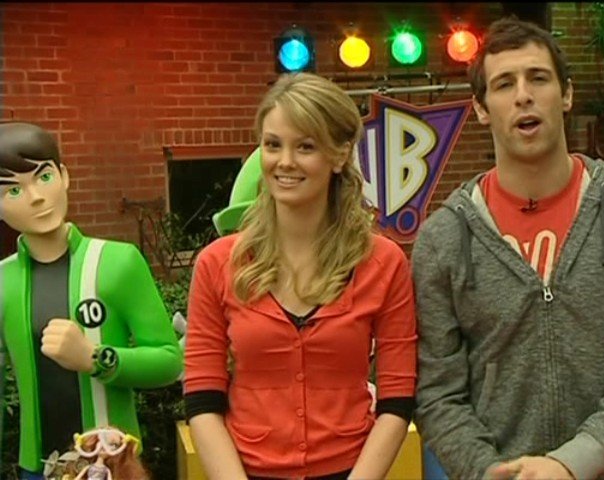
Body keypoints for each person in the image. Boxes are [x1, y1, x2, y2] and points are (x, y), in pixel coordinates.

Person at [412, 17, 604, 480]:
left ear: (566, 95)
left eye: (538, 78)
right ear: (481, 109)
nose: (523, 95)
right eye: (504, 84)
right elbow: (437, 390)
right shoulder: (444, 239)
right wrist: (487, 470)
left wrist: (571, 463)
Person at [183, 73, 418, 480]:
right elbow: (202, 398)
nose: (285, 162)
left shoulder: (384, 263)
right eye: (273, 145)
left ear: (340, 156)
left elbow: (397, 399)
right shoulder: (217, 263)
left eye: (305, 146)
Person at [0, 122, 183, 479]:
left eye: (44, 177)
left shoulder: (118, 262)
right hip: (35, 469)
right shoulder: (3, 280)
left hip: (112, 464)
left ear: (65, 176)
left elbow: (168, 361)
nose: (36, 196)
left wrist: (94, 358)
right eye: (14, 190)